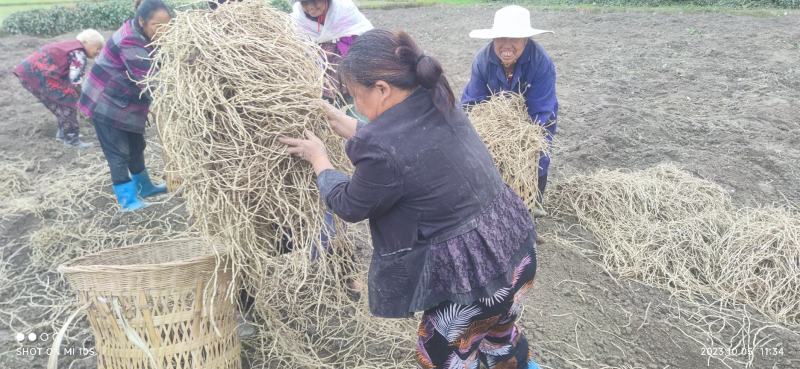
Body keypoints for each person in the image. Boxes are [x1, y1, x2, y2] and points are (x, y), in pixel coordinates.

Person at [281, 29, 541, 369]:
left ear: (382, 89)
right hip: (516, 251)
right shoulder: (437, 96)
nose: (354, 104)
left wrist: (320, 160)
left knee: (439, 357)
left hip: (474, 284)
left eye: (355, 95)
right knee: (499, 341)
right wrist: (354, 126)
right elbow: (407, 147)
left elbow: (348, 205)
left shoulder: (380, 147)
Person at [461, 5, 558, 218]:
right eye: (500, 38)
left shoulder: (541, 63)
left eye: (514, 38)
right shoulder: (483, 60)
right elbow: (472, 103)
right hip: (496, 124)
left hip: (533, 119)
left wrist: (524, 141)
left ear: (525, 40)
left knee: (537, 156)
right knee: (485, 160)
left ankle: (532, 203)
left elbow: (542, 111)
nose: (506, 45)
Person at [78, 0, 172, 211]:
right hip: (105, 102)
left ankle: (144, 186)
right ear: (142, 21)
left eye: (167, 26)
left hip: (125, 101)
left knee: (136, 145)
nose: (163, 31)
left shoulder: (145, 35)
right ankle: (127, 200)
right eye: (157, 26)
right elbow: (152, 82)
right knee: (118, 152)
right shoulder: (130, 40)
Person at [12, 29, 105, 148]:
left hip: (28, 74)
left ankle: (64, 134)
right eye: (97, 48)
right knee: (69, 101)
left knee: (61, 102)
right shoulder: (79, 53)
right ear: (85, 43)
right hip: (40, 75)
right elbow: (75, 79)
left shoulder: (69, 46)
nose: (99, 51)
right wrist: (80, 98)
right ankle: (71, 139)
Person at [291, 0, 373, 101]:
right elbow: (299, 43)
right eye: (304, 3)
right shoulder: (299, 18)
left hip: (346, 58)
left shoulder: (343, 9)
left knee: (352, 86)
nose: (310, 7)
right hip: (319, 64)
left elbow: (360, 33)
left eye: (314, 1)